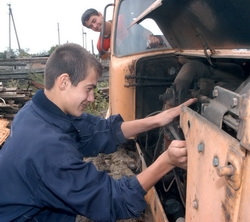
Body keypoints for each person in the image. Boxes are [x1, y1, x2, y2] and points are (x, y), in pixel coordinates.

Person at [0, 43, 196, 222]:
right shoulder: (48, 149)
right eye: (89, 89)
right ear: (64, 82)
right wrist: (166, 161)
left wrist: (158, 119)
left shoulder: (36, 110)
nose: (93, 98)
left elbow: (99, 131)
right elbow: (112, 201)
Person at [81, 8, 166, 57]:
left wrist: (150, 37)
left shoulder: (121, 20)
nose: (95, 26)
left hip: (147, 53)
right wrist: (111, 54)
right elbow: (105, 58)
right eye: (91, 26)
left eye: (94, 21)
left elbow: (142, 31)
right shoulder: (101, 45)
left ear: (100, 14)